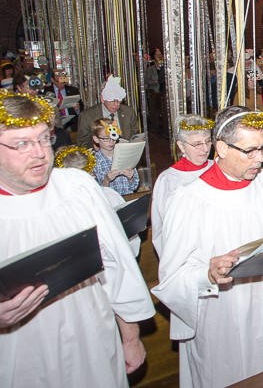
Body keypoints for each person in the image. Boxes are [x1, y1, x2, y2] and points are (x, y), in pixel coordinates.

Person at [0, 91, 154, 386]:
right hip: (19, 351)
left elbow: (117, 264)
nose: (40, 153)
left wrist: (131, 335)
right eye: (22, 144)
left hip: (92, 335)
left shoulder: (76, 187)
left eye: (44, 138)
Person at [152, 105, 263, 387]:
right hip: (220, 317)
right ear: (221, 148)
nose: (260, 158)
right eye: (250, 151)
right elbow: (172, 278)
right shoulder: (188, 201)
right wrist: (206, 274)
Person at [151, 115, 214, 257]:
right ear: (181, 146)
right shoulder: (170, 180)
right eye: (197, 144)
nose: (205, 149)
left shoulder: (218, 167)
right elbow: (162, 229)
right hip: (190, 253)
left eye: (208, 141)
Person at [77, 76, 139, 148]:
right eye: (112, 101)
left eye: (118, 100)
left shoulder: (128, 112)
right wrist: (96, 147)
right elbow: (82, 143)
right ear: (102, 99)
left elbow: (135, 136)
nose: (116, 104)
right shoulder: (87, 116)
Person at [91, 118, 140, 196]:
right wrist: (106, 180)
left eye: (114, 137)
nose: (111, 142)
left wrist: (130, 178)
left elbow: (134, 186)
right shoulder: (93, 162)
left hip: (128, 198)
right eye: (106, 138)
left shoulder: (125, 155)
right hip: (110, 202)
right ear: (96, 139)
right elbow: (97, 193)